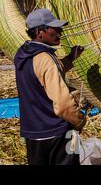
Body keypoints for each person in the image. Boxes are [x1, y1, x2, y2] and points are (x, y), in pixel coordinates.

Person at [14, 9, 86, 165]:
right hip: (60, 132)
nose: (60, 31)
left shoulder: (22, 54)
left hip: (33, 134)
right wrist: (80, 121)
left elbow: (41, 74)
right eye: (54, 28)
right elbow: (62, 105)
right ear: (40, 32)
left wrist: (70, 58)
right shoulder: (46, 58)